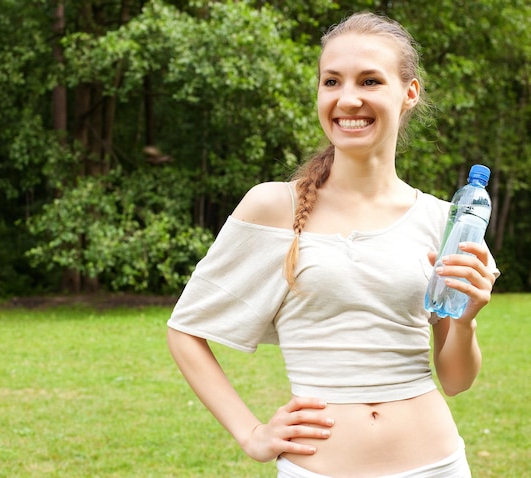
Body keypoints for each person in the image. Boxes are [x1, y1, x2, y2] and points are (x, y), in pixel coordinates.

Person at [167, 11, 499, 478]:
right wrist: (250, 433)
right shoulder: (271, 206)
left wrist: (465, 323)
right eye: (331, 82)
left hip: (437, 465)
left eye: (369, 81)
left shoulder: (443, 219)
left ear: (409, 93)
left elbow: (456, 381)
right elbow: (185, 330)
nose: (348, 99)